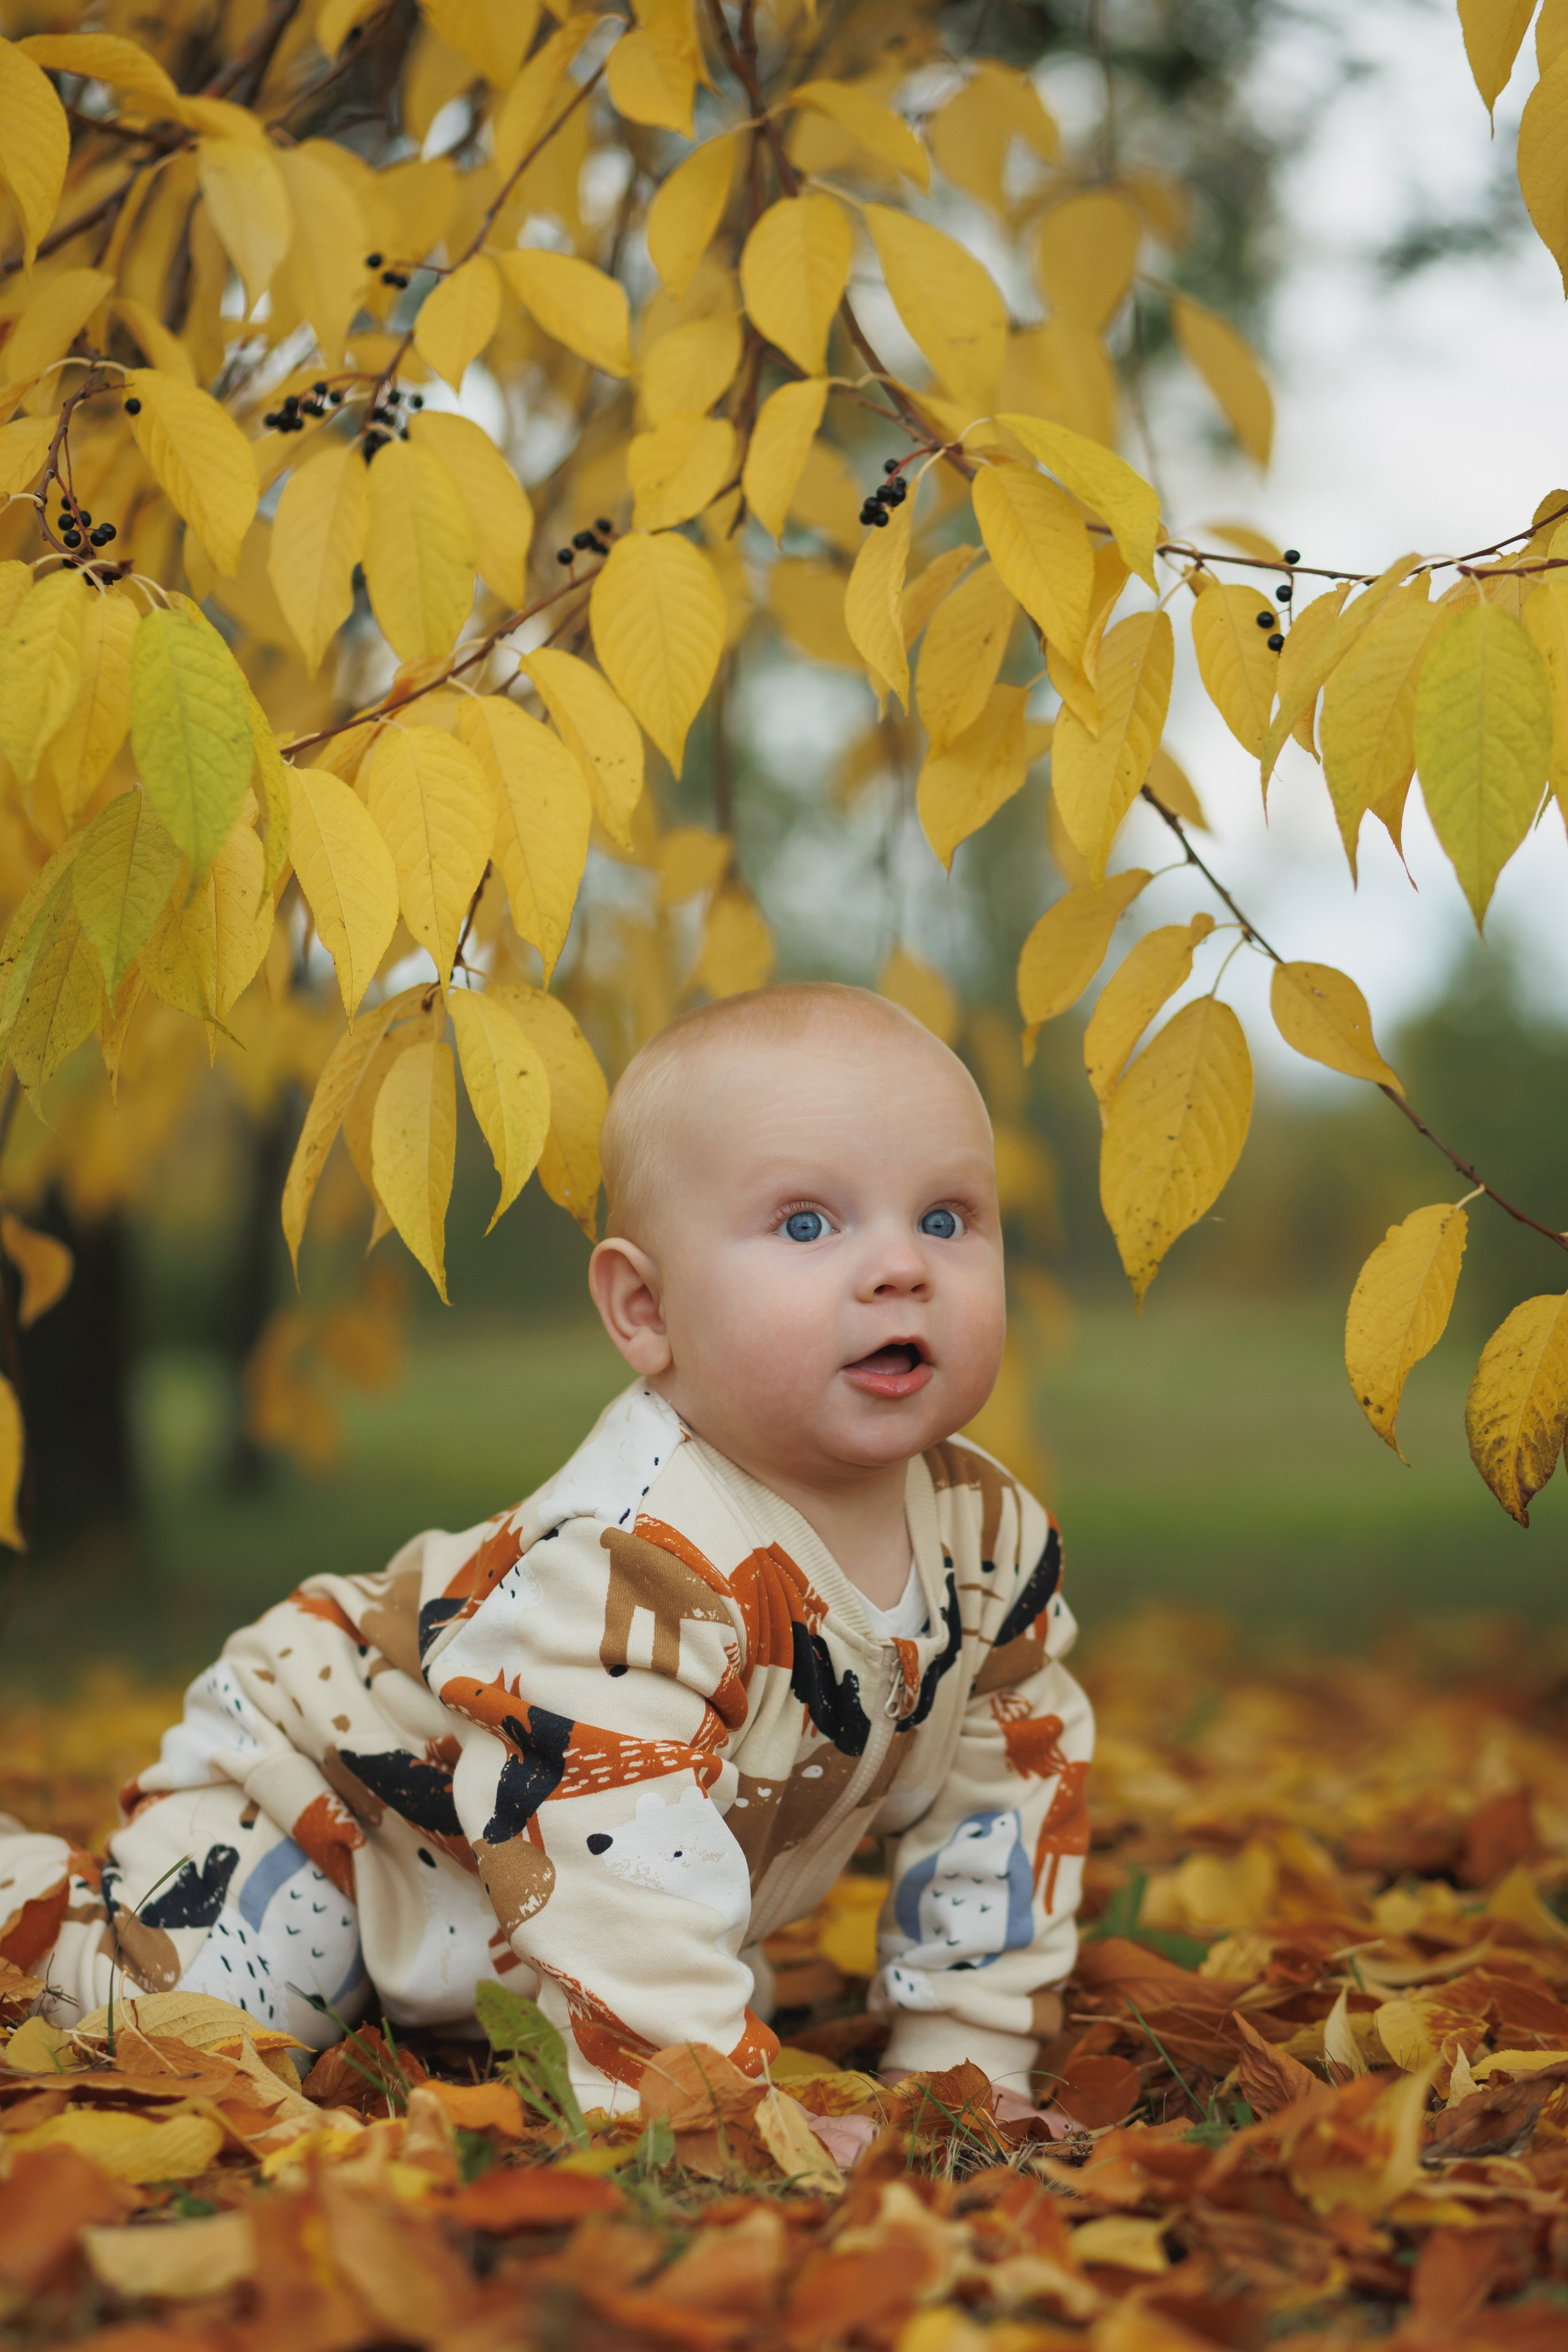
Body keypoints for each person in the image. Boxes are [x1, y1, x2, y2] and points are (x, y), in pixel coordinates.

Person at [1, 984, 1092, 2106]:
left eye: (948, 1218)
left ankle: (495, 2004)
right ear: (645, 1312)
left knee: (599, 1957)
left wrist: (970, 2062)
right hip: (329, 1801)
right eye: (807, 1223)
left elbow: (1005, 1808)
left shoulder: (989, 1548)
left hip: (510, 1890)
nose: (901, 1266)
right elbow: (604, 1848)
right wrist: (705, 2106)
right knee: (192, 2027)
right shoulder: (640, 1560)